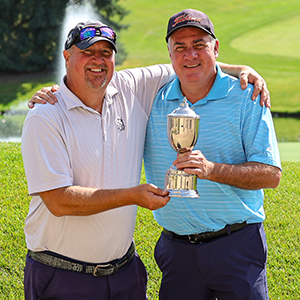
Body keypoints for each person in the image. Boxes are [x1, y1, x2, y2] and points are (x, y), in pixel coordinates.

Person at [27, 17, 271, 300]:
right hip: (62, 275)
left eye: (106, 53)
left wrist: (243, 69)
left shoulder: (130, 86)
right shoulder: (45, 115)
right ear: (67, 56)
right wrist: (133, 195)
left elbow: (189, 64)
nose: (98, 61)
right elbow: (58, 201)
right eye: (87, 52)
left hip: (125, 273)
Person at [143, 9, 282, 300]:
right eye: (179, 47)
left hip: (237, 245)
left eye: (199, 45)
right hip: (176, 250)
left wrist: (211, 170)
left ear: (215, 48)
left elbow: (271, 175)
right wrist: (54, 93)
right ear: (169, 54)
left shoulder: (247, 95)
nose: (189, 54)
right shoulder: (150, 98)